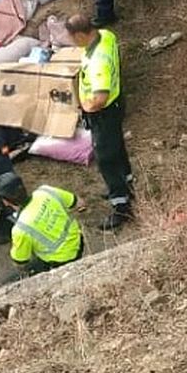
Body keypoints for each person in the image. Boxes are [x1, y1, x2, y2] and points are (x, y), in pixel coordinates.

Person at [66, 13, 134, 230]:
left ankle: (121, 205)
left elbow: (100, 98)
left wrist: (85, 105)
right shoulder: (106, 35)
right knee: (117, 148)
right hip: (117, 103)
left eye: (72, 38)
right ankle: (127, 183)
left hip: (104, 112)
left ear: (79, 35)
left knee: (106, 158)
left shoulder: (98, 63)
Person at [0, 173, 84, 276]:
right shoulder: (46, 191)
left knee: (17, 277)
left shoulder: (21, 228)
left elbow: (20, 262)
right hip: (79, 242)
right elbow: (79, 203)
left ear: (6, 202)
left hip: (61, 260)